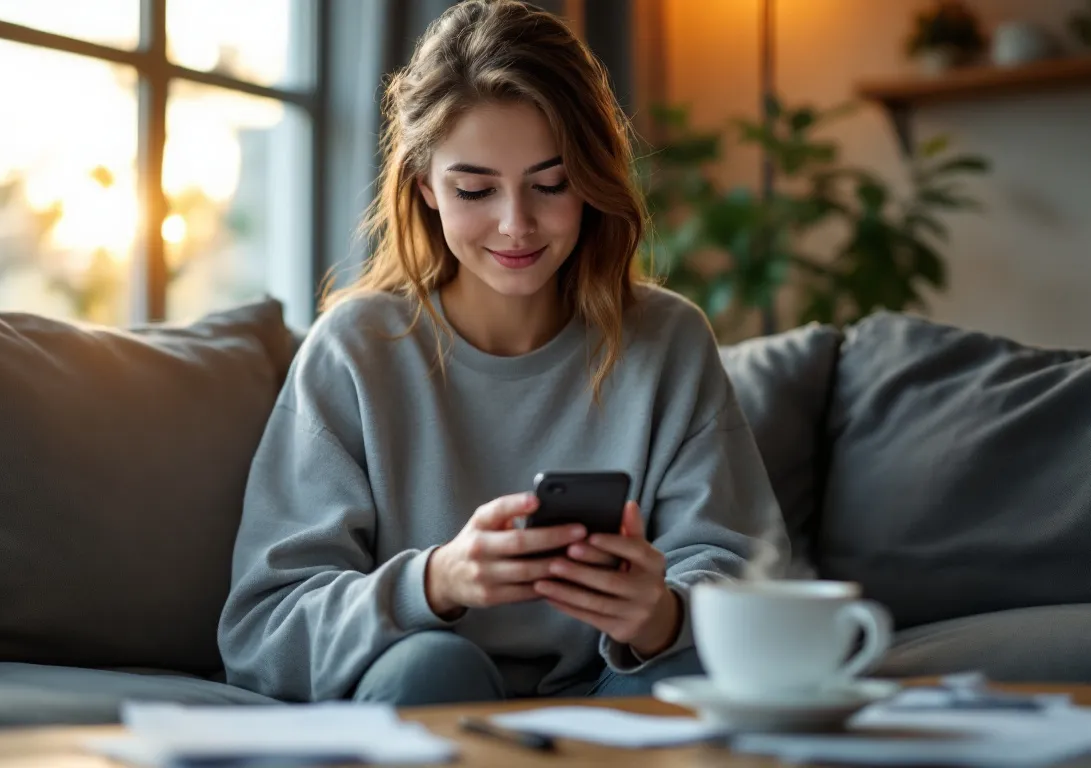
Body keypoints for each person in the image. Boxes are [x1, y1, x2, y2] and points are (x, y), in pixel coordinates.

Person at [218, 0, 787, 705]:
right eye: (475, 188)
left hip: (616, 691)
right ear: (425, 186)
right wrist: (435, 583)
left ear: (592, 179)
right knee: (433, 670)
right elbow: (263, 630)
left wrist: (662, 616)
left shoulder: (668, 342)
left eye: (551, 184)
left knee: (694, 667)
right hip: (430, 692)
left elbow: (747, 574)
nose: (516, 225)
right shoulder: (355, 351)